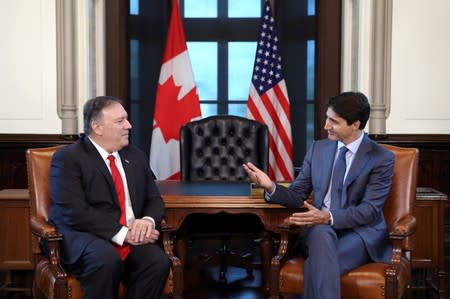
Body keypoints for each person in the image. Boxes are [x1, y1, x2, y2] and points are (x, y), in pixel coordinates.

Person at [243, 92, 394, 299]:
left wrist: (328, 217)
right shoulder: (318, 149)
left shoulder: (381, 158)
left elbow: (369, 211)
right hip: (317, 232)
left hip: (359, 234)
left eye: (334, 121)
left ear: (355, 124)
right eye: (327, 118)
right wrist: (270, 187)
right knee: (322, 234)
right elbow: (297, 194)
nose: (326, 126)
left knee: (319, 265)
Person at [48, 96, 169, 299]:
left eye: (127, 119)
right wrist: (124, 234)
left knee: (157, 261)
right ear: (97, 127)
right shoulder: (68, 158)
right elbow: (74, 212)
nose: (129, 126)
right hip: (87, 236)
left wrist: (146, 222)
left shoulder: (135, 155)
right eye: (120, 121)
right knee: (105, 260)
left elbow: (154, 199)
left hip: (131, 237)